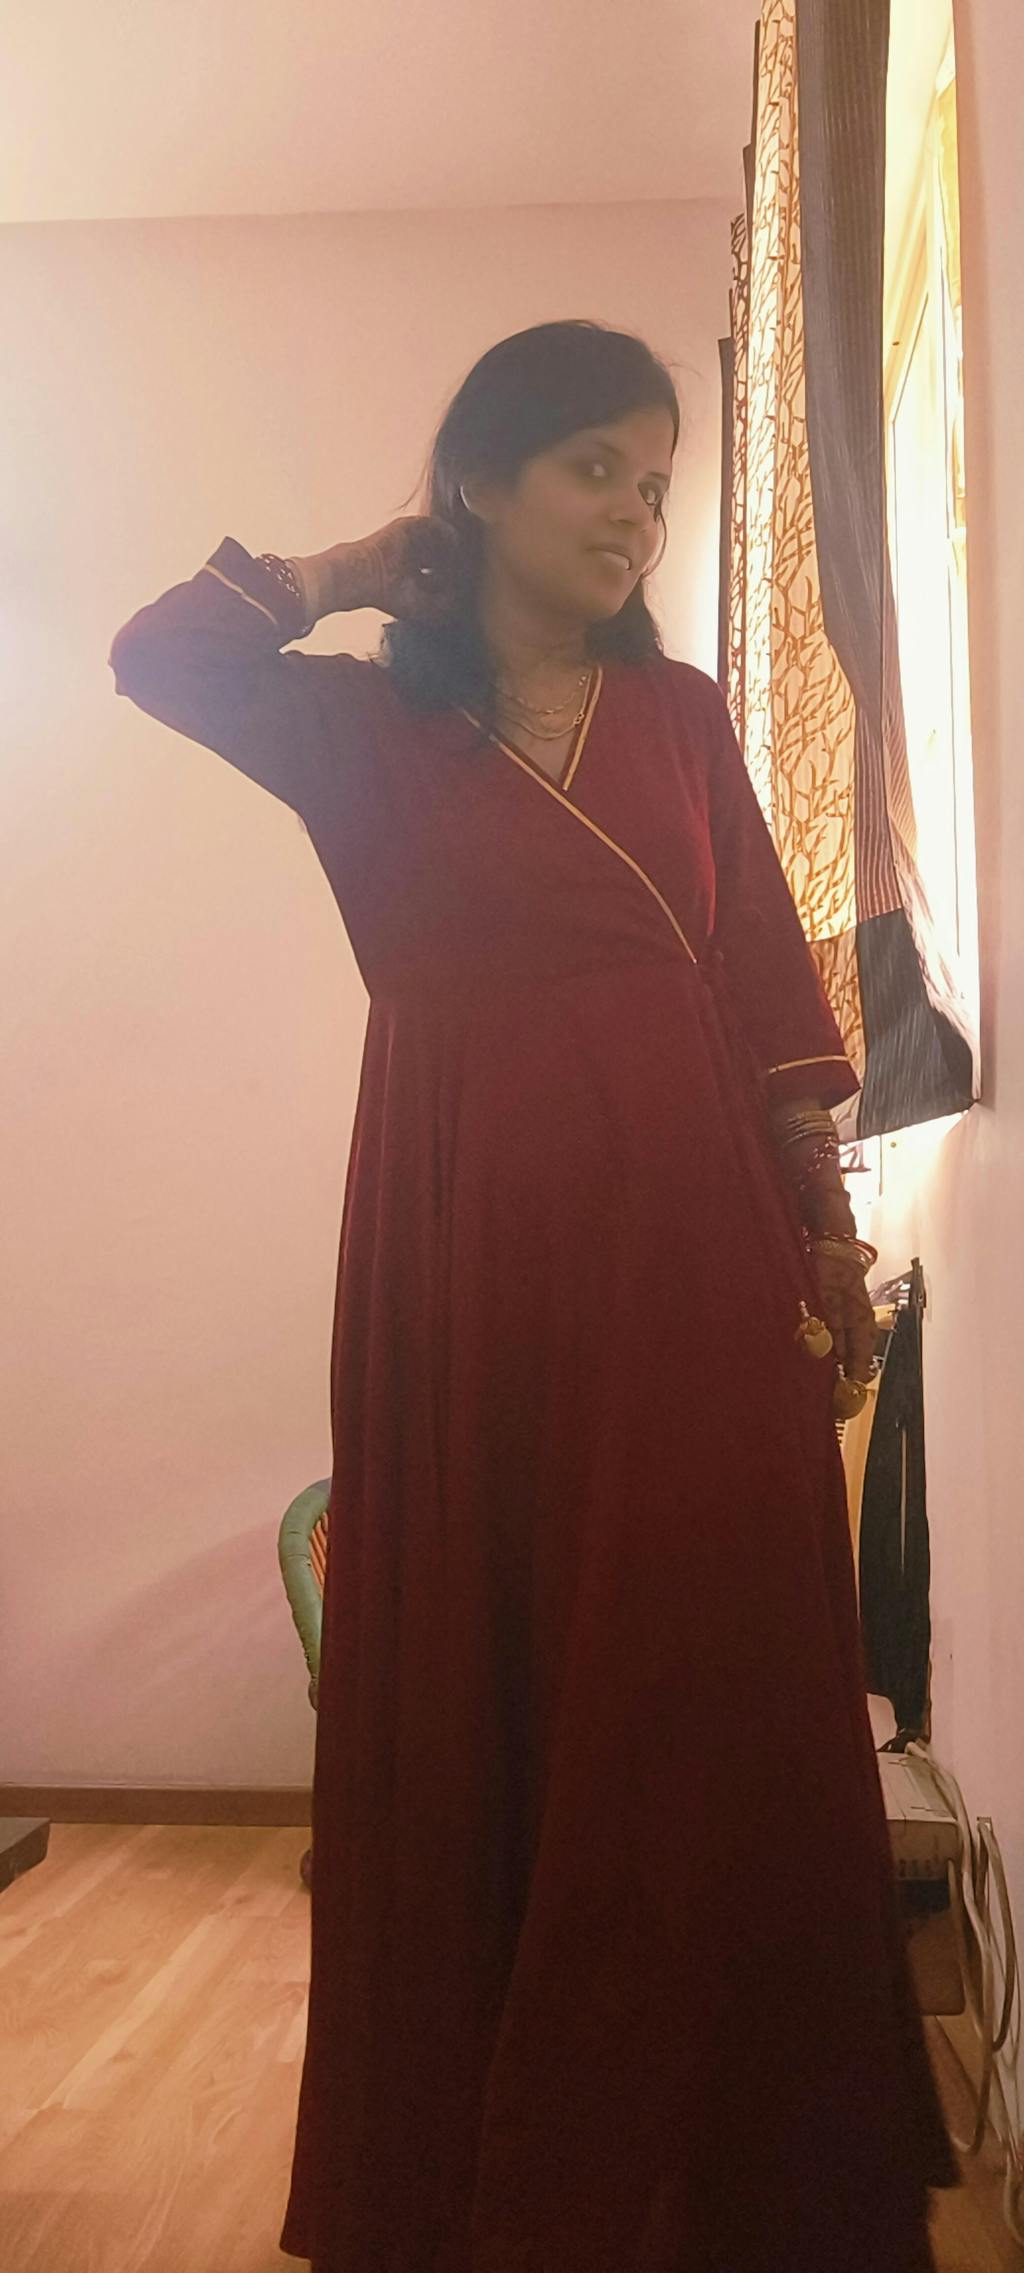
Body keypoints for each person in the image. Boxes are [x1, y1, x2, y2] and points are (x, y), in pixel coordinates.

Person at [108, 320, 959, 2273]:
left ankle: (731, 2175)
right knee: (493, 1669)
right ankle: (498, 2169)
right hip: (463, 1240)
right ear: (478, 483)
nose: (635, 513)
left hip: (689, 1250)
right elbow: (163, 655)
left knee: (694, 1673)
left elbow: (762, 994)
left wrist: (823, 1242)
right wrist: (349, 566)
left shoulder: (680, 720)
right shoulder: (364, 730)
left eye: (654, 483)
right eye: (593, 467)